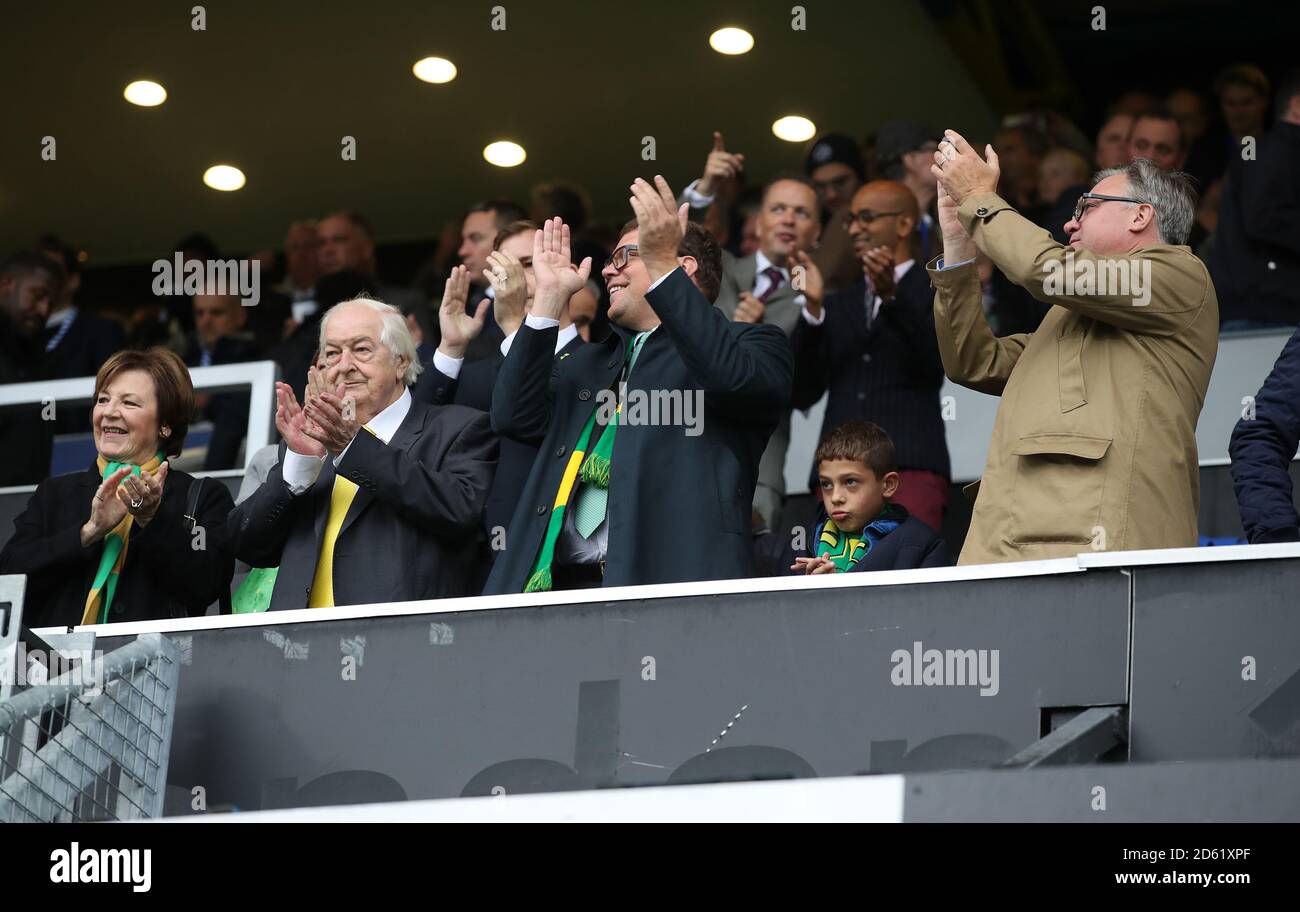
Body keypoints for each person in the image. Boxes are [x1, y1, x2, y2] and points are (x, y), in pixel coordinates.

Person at [484, 179, 792, 593]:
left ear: (682, 268)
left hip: (670, 588)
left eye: (627, 256)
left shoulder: (752, 343)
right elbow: (513, 417)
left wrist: (662, 265)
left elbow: (730, 381)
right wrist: (549, 301)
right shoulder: (587, 361)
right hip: (562, 590)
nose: (609, 269)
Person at [929, 134, 1217, 564]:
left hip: (1093, 541)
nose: (1069, 223)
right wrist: (958, 244)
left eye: (1086, 206)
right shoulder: (1073, 307)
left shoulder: (1179, 275)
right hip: (1013, 535)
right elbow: (975, 362)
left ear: (1140, 216)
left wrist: (978, 198)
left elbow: (1045, 270)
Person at [228, 296, 497, 609]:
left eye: (361, 349)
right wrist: (299, 465)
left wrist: (353, 448)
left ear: (402, 361)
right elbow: (245, 545)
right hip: (297, 648)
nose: (344, 366)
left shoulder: (458, 428)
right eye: (332, 353)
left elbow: (460, 512)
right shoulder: (310, 444)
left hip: (402, 644)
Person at [0, 348, 235, 626]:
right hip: (53, 666)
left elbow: (207, 585)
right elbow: (9, 580)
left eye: (129, 403)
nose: (109, 412)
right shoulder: (55, 493)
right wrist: (89, 531)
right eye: (102, 400)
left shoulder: (202, 496)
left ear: (166, 425)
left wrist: (151, 519)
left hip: (154, 666)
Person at [790, 181, 951, 531]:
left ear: (905, 224)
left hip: (910, 466)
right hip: (836, 474)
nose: (855, 228)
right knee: (837, 581)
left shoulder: (939, 288)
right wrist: (813, 311)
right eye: (851, 219)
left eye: (867, 217)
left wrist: (893, 300)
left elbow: (935, 366)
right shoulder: (839, 301)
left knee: (909, 578)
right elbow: (802, 390)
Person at [711, 173, 823, 531]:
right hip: (693, 434)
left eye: (801, 213)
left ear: (817, 232)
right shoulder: (721, 266)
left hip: (761, 457)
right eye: (778, 209)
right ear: (758, 223)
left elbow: (806, 388)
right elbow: (677, 247)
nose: (788, 219)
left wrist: (813, 308)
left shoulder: (817, 300)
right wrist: (707, 186)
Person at [781, 421, 950, 574]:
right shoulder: (803, 543)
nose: (836, 497)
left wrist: (836, 589)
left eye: (850, 482)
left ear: (888, 485)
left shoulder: (922, 545)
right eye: (827, 484)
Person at [1211, 67, 1300, 330]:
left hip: (1263, 309)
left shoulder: (1274, 150)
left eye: (1247, 102)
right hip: (1263, 312)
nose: (1239, 111)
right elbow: (1264, 216)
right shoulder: (1276, 151)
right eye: (1231, 103)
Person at [0, 251, 60, 486]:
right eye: (37, 296)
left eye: (51, 303)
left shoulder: (40, 358)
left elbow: (47, 420)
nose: (43, 310)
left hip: (28, 501)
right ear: (6, 284)